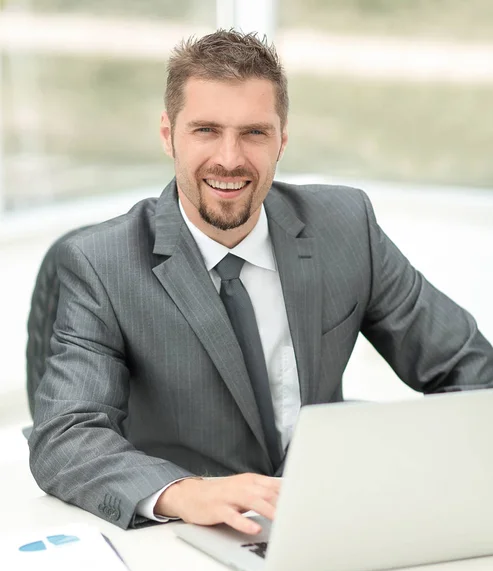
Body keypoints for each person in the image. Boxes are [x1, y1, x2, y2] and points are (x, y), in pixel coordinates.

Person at [29, 30, 493, 534]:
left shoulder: (346, 226)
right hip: (188, 534)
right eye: (206, 130)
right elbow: (66, 435)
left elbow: (471, 371)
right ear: (168, 136)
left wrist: (425, 475)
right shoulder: (102, 263)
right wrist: (187, 494)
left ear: (282, 140)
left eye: (254, 133)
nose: (229, 158)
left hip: (324, 520)